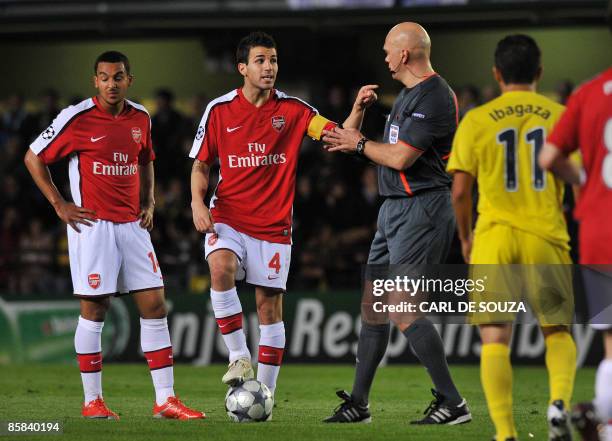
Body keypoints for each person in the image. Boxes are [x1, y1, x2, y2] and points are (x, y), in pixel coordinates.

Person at [189, 31, 375, 405]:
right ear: (242, 67)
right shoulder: (220, 110)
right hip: (228, 216)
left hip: (274, 227)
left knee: (268, 308)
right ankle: (239, 357)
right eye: (260, 60)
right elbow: (201, 164)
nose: (269, 67)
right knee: (220, 267)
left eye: (273, 60)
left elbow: (338, 136)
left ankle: (265, 395)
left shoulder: (293, 111)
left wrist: (358, 109)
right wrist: (196, 202)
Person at [24, 51, 204, 421]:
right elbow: (33, 157)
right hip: (93, 227)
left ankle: (165, 401)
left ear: (129, 80)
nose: (111, 83)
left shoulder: (141, 117)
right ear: (95, 81)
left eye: (118, 77)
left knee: (155, 306)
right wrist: (60, 204)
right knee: (94, 309)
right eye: (104, 77)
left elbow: (145, 159)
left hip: (133, 226)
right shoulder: (75, 118)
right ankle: (93, 402)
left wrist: (149, 201)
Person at [322, 22, 471, 425]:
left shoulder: (436, 96)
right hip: (393, 210)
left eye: (389, 49)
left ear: (404, 54)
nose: (384, 56)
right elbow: (346, 142)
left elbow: (401, 158)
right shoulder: (406, 96)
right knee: (373, 308)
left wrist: (359, 144)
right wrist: (357, 112)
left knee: (403, 308)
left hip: (421, 208)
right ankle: (359, 403)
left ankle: (453, 402)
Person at [448, 35, 577, 441]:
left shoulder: (476, 119)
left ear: (496, 74)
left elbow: (459, 191)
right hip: (547, 235)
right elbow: (579, 179)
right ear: (539, 72)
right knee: (557, 331)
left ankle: (505, 434)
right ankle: (558, 404)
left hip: (495, 237)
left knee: (494, 337)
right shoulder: (561, 114)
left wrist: (467, 239)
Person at [539, 65, 612, 441]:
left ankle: (605, 424)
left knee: (611, 344)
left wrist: (584, 180)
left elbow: (549, 157)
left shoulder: (587, 93)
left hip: (602, 231)